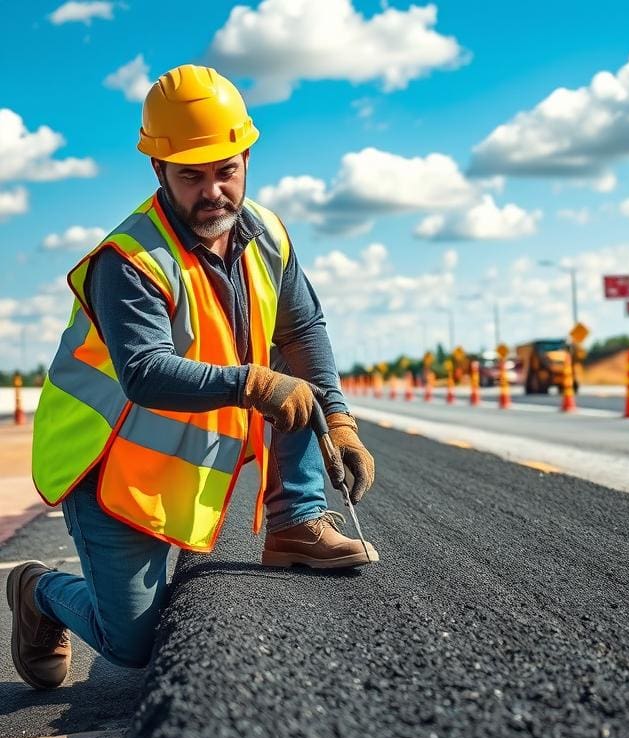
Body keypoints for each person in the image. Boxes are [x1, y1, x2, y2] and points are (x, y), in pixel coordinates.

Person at [7, 64, 378, 690]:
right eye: (192, 175)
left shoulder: (267, 235)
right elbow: (147, 374)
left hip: (187, 440)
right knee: (131, 644)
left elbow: (302, 330)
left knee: (294, 372)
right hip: (110, 461)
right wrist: (256, 386)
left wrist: (338, 421)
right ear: (159, 172)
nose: (214, 192)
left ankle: (297, 521)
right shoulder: (128, 260)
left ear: (246, 156)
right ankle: (38, 590)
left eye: (226, 170)